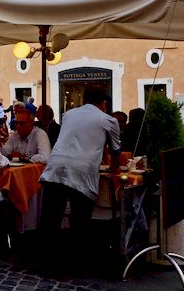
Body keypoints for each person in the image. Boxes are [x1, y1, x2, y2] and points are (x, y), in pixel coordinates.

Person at [39, 87, 120, 262]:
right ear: (104, 103)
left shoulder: (68, 115)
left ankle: (46, 258)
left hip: (55, 166)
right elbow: (115, 152)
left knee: (51, 218)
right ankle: (77, 260)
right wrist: (114, 169)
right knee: (80, 219)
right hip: (82, 171)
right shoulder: (109, 120)